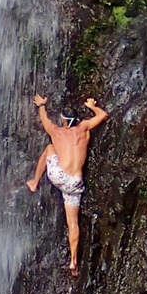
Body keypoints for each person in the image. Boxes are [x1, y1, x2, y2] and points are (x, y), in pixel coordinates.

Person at [26, 93, 108, 276]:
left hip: (59, 177)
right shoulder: (84, 128)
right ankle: (73, 261)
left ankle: (34, 182)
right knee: (73, 223)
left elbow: (45, 121)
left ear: (63, 120)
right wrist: (92, 106)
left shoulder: (57, 131)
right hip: (75, 183)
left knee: (49, 148)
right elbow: (102, 115)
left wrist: (42, 105)